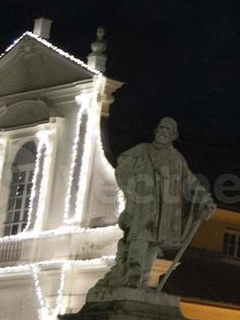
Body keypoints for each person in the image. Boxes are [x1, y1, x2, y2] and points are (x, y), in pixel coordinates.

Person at [92, 117, 215, 294]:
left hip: (166, 209)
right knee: (140, 238)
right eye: (161, 128)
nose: (163, 132)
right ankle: (132, 279)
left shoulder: (177, 158)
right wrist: (133, 189)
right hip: (144, 206)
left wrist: (205, 199)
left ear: (174, 135)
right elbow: (123, 166)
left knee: (153, 244)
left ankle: (143, 280)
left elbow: (190, 182)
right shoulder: (142, 150)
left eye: (167, 130)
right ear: (156, 131)